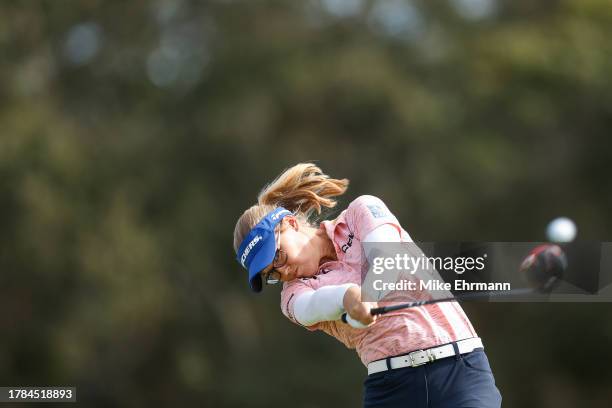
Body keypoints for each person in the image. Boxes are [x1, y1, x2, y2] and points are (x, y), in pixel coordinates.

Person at [233, 163, 502, 408]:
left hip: (459, 370)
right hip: (391, 388)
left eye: (277, 256)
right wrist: (347, 298)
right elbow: (312, 307)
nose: (282, 271)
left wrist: (367, 296)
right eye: (271, 274)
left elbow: (388, 257)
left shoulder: (361, 211)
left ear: (290, 223)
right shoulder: (293, 294)